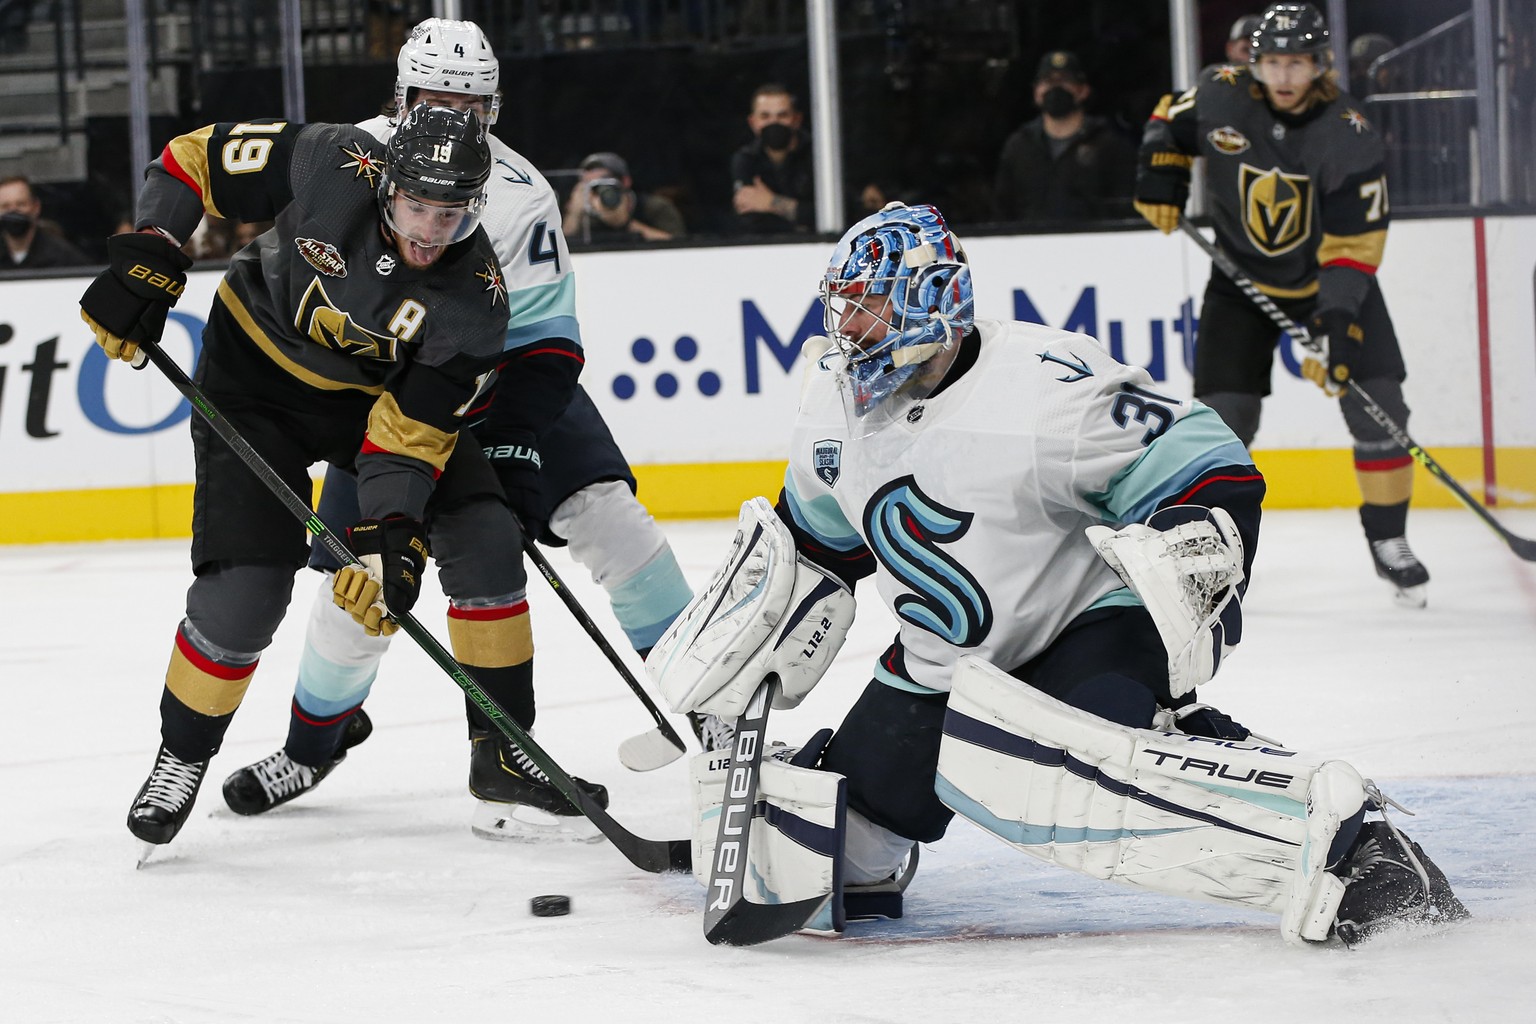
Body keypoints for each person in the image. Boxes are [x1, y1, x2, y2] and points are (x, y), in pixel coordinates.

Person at [649, 201, 1467, 946]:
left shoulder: (1045, 384)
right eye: (844, 306)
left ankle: (1343, 840)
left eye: (870, 305)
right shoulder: (831, 406)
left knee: (1059, 772)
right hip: (943, 667)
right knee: (825, 854)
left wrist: (1192, 545)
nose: (850, 327)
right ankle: (881, 797)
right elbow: (815, 549)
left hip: (1084, 632)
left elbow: (1207, 462)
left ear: (933, 299)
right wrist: (747, 655)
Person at [216, 19, 710, 843]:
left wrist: (513, 445)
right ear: (402, 97)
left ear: (495, 105)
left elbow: (549, 341)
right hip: (384, 404)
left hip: (504, 385)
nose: (453, 113)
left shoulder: (520, 189)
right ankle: (315, 743)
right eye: (436, 97)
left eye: (470, 101)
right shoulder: (342, 157)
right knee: (361, 584)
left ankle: (719, 708)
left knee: (609, 520)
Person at [77, 101, 605, 855]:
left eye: (452, 212)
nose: (430, 230)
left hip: (373, 412)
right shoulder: (333, 160)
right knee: (245, 593)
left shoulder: (476, 301)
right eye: (417, 204)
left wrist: (392, 541)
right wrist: (154, 247)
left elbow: (404, 441)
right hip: (255, 387)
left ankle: (503, 752)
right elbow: (191, 155)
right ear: (386, 184)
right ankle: (181, 756)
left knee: (487, 539)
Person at [1134, 2, 1430, 607]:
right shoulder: (1220, 93)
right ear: (1255, 63)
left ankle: (1389, 540)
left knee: (1380, 406)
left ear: (1320, 65)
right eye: (1273, 63)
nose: (1285, 77)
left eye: (1297, 63)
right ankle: (1217, 553)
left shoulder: (1349, 132)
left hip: (1331, 281)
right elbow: (1168, 118)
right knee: (1222, 421)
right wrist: (1159, 169)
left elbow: (1355, 242)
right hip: (1240, 282)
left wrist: (1339, 320)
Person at [992, 51, 1136, 223]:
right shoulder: (1019, 147)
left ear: (1083, 91)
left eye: (1065, 81)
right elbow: (1003, 211)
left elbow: (1125, 211)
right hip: (1031, 246)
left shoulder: (1110, 145)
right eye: (1048, 81)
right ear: (1036, 92)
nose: (1055, 87)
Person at [730, 83, 814, 235]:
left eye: (782, 116)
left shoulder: (819, 157)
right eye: (765, 116)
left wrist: (771, 203)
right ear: (753, 122)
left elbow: (835, 213)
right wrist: (797, 212)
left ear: (796, 119)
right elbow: (749, 219)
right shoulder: (745, 160)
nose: (774, 123)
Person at [562, 151, 686, 244]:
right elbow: (562, 248)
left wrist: (626, 223)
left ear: (625, 181)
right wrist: (574, 214)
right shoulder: (586, 212)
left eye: (604, 183)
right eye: (589, 185)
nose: (598, 191)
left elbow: (680, 245)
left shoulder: (655, 207)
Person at [0, 176, 89, 270]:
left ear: (36, 207)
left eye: (21, 204)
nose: (13, 212)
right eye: (5, 206)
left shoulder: (65, 257)